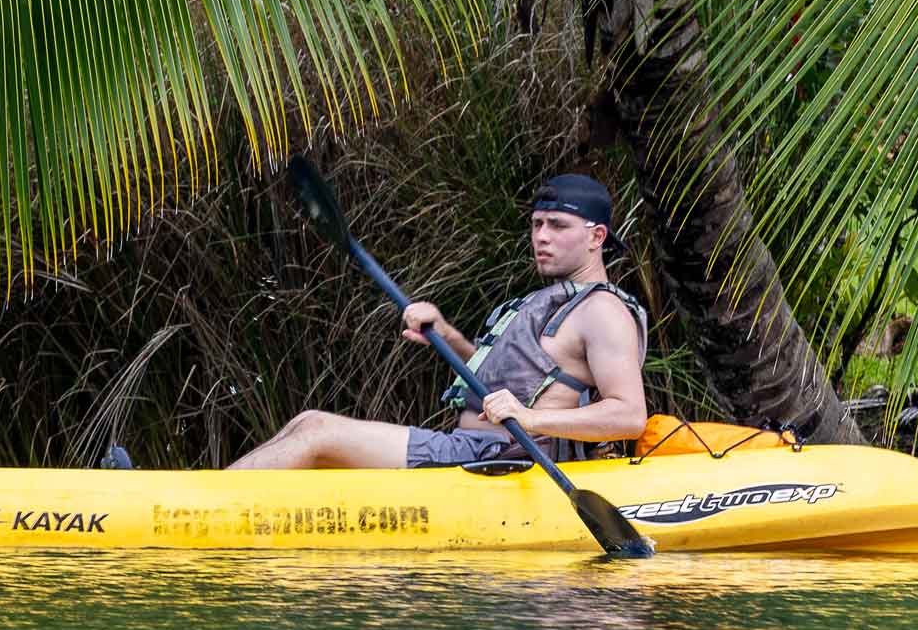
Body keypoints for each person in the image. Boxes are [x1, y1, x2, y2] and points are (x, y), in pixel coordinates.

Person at [229, 173, 648, 470]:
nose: (541, 236)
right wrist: (446, 334)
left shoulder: (604, 311)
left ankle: (200, 507)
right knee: (305, 421)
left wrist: (533, 420)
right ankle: (207, 501)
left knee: (318, 430)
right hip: (470, 448)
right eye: (537, 224)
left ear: (597, 237)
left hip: (504, 461)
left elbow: (629, 415)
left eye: (558, 226)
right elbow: (510, 378)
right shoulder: (542, 301)